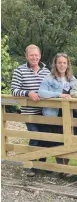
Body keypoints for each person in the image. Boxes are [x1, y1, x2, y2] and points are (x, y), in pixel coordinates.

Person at [11, 44, 50, 177]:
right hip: (29, 112)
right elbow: (14, 90)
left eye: (36, 55)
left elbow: (52, 88)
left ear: (40, 56)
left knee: (45, 138)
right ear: (26, 56)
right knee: (35, 136)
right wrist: (28, 93)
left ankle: (41, 164)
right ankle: (30, 165)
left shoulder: (46, 71)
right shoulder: (19, 70)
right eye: (31, 55)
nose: (34, 57)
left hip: (45, 112)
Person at [38, 53, 76, 177]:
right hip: (51, 114)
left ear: (67, 64)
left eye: (64, 63)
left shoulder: (72, 79)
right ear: (55, 64)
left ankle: (64, 168)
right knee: (51, 141)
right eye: (59, 62)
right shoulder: (49, 78)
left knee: (65, 141)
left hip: (66, 114)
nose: (62, 65)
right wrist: (58, 95)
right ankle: (47, 167)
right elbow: (41, 92)